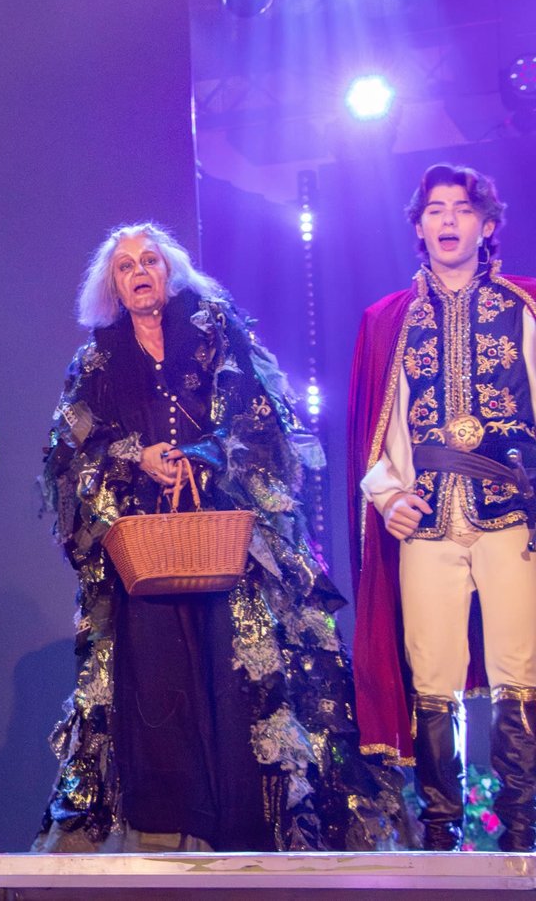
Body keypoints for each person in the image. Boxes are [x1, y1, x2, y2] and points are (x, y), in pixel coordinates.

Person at [35, 222, 403, 853]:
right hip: (144, 549)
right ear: (113, 286)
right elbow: (67, 450)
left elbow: (262, 418)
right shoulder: (96, 361)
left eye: (150, 260)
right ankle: (173, 828)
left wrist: (205, 455)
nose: (140, 272)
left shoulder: (217, 334)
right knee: (156, 677)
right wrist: (135, 456)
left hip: (229, 539)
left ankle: (248, 829)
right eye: (126, 266)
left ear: (170, 271)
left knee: (235, 673)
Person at [349, 164, 536, 852]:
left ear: (487, 224)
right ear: (420, 225)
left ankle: (523, 834)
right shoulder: (389, 320)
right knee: (432, 677)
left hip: (512, 516)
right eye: (435, 209)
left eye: (462, 208)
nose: (449, 219)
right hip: (426, 521)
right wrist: (388, 495)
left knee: (520, 671)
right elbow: (373, 432)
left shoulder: (525, 307)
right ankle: (439, 834)